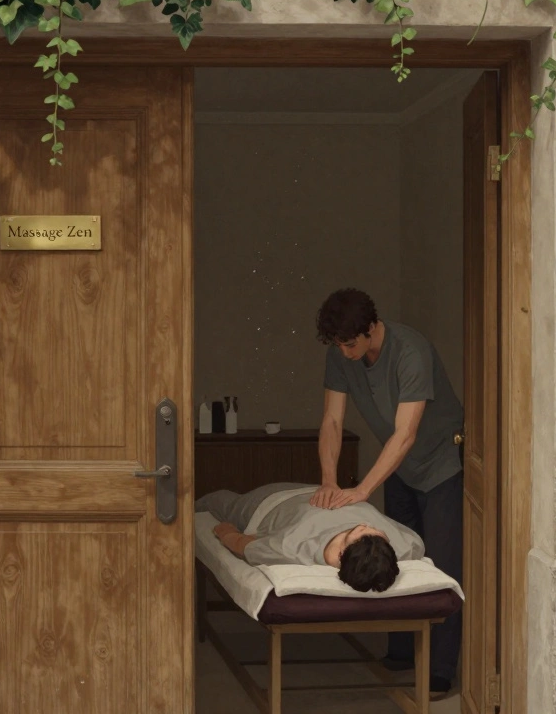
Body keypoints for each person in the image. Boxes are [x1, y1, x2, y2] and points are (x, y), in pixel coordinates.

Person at [311, 287, 465, 695]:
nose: (344, 352)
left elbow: (406, 433)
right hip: (397, 467)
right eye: (338, 345)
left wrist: (362, 488)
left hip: (439, 463)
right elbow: (331, 420)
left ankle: (439, 669)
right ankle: (401, 651)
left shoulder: (411, 351)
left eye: (349, 344)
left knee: (442, 566)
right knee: (390, 553)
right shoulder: (340, 356)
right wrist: (330, 478)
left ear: (371, 328)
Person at [197, 482, 425, 593]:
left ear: (341, 555)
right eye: (375, 531)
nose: (365, 524)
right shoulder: (404, 545)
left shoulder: (290, 548)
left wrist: (223, 530)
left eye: (356, 532)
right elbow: (417, 545)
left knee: (216, 500)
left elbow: (241, 545)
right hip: (325, 489)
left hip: (270, 501)